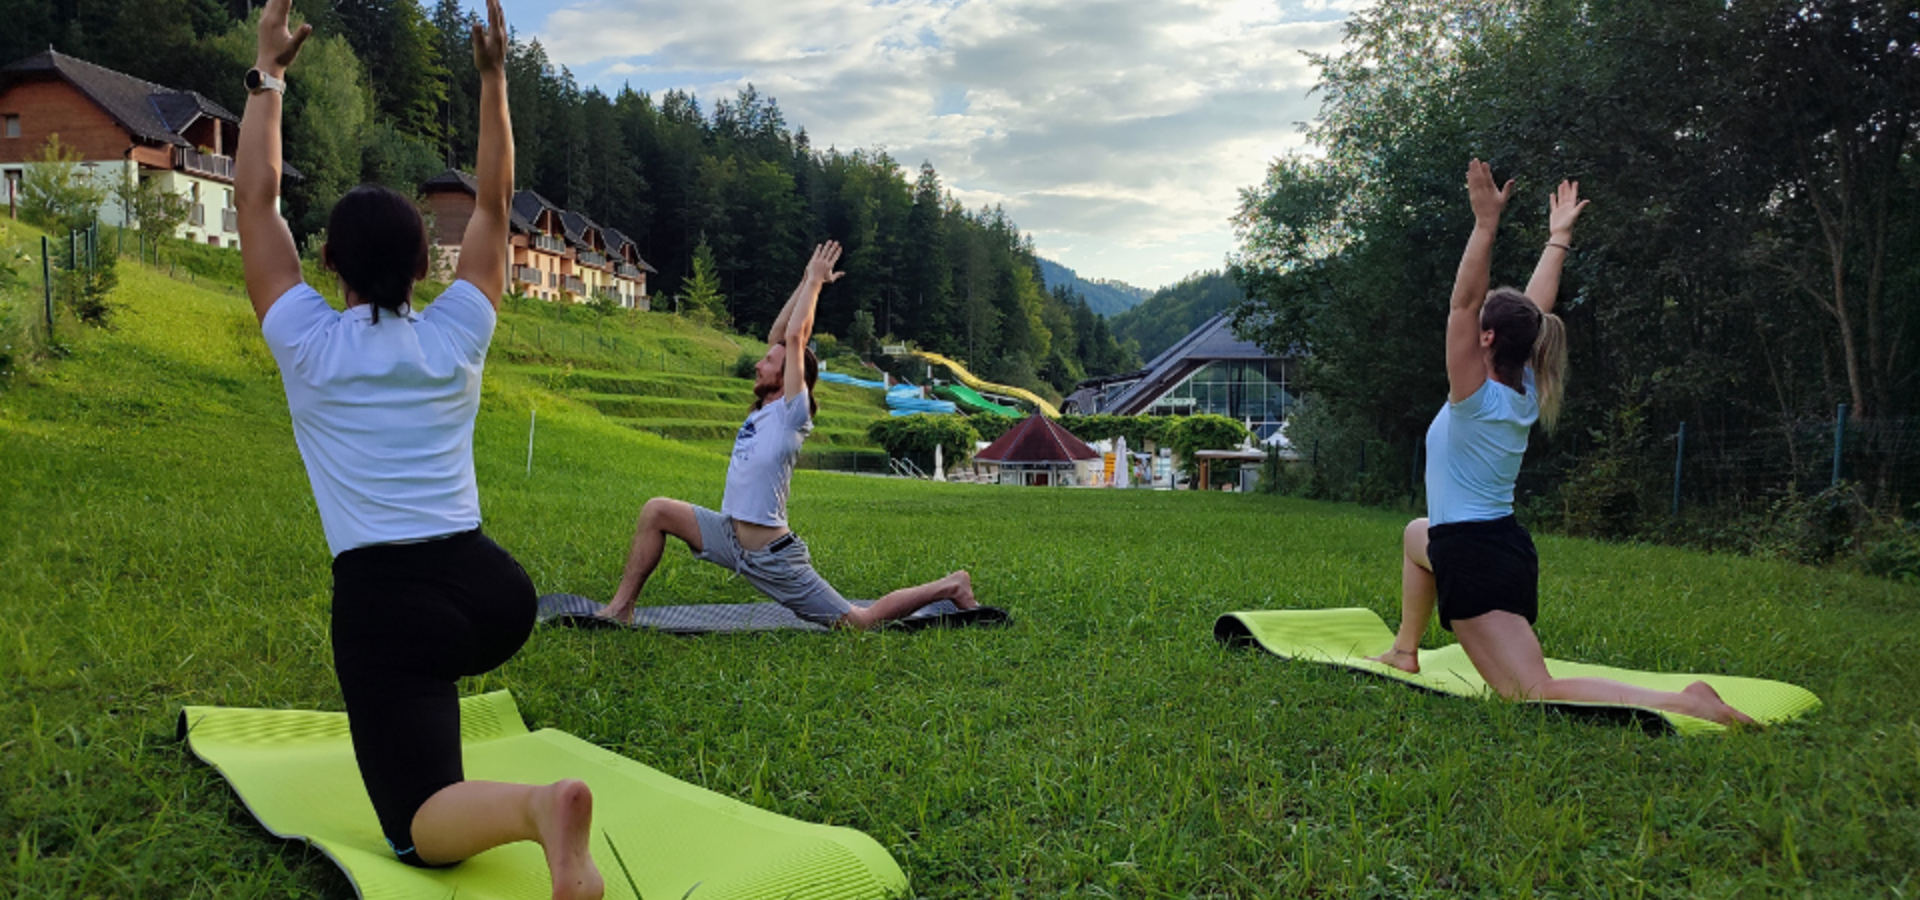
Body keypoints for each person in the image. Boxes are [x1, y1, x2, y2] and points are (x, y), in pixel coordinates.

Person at [236, 0, 603, 894]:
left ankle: (534, 809)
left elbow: (253, 199)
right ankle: (504, 787)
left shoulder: (307, 345)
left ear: (327, 263)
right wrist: (492, 79)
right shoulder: (455, 334)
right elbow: (492, 202)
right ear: (421, 268)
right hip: (492, 593)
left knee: (414, 826)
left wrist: (269, 76)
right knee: (422, 681)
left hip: (387, 603)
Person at [1366, 160, 1753, 727]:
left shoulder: (1473, 395)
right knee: (1415, 534)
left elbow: (1463, 305)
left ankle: (1684, 701)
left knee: (1530, 691)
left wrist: (1484, 226)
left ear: (1488, 338)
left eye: (1481, 326)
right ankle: (1405, 650)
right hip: (1495, 546)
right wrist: (1558, 238)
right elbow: (1535, 310)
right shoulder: (1521, 384)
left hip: (1475, 558)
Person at [596, 243, 979, 629]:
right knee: (656, 510)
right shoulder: (765, 407)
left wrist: (815, 283)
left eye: (768, 363)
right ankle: (621, 607)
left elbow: (795, 339)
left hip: (771, 555)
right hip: (728, 535)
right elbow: (782, 335)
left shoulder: (791, 413)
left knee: (857, 623)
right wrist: (805, 282)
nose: (759, 363)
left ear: (788, 379)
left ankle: (951, 585)